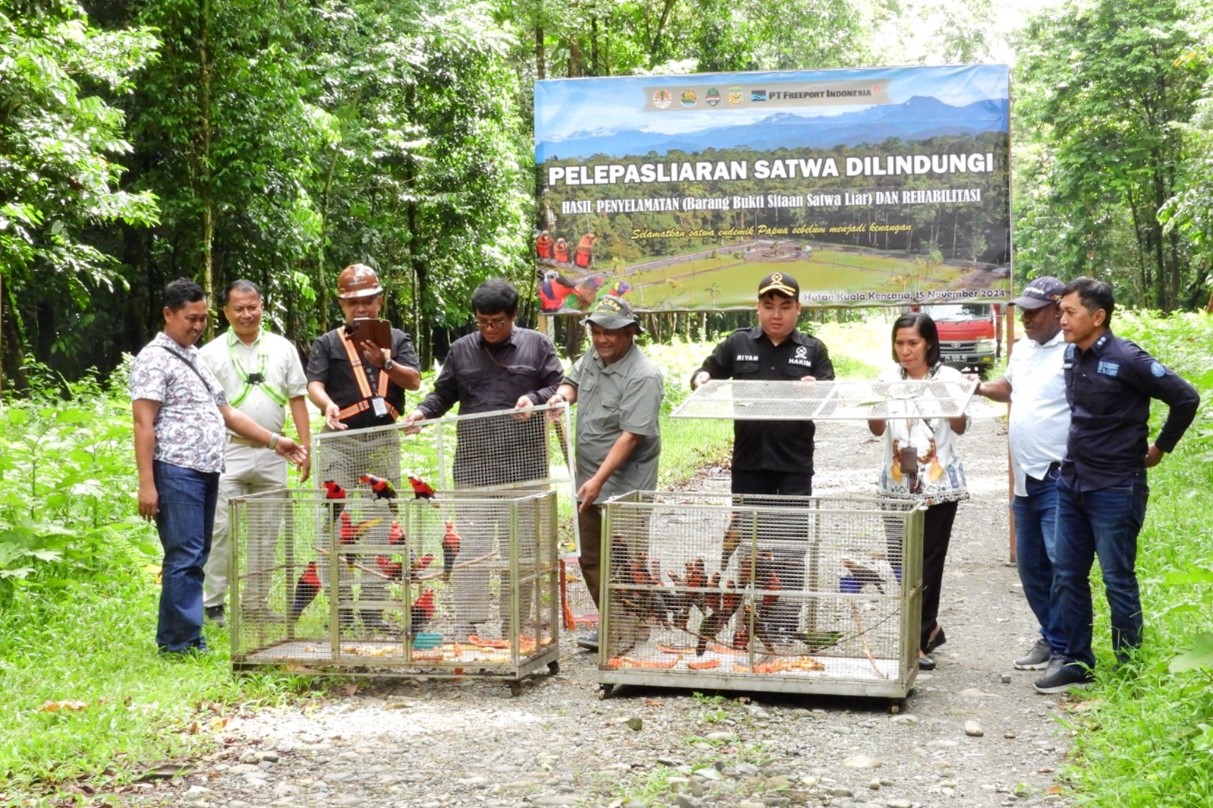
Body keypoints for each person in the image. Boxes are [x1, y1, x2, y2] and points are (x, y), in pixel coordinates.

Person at [1033, 278, 1199, 694]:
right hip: (1072, 483)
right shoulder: (1072, 355)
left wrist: (1161, 448)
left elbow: (1186, 398)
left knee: (1116, 578)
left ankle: (1129, 668)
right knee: (1068, 575)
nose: (1062, 319)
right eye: (1062, 311)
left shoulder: (1128, 358)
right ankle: (1077, 662)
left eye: (1071, 312)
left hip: (1116, 487)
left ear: (1098, 316)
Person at [130, 278, 306, 655]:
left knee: (197, 554)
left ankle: (187, 636)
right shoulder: (154, 358)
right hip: (177, 470)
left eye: (202, 319)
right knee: (185, 555)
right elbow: (143, 423)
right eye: (189, 319)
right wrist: (147, 483)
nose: (196, 326)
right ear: (168, 314)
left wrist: (277, 441)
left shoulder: (193, 356)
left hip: (207, 469)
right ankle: (179, 643)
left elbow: (227, 412)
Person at [402, 279, 564, 638]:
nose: (489, 329)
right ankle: (468, 624)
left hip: (525, 468)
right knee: (471, 550)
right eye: (482, 322)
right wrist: (421, 414)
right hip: (474, 468)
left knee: (521, 552)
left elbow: (558, 385)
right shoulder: (461, 350)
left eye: (497, 322)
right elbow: (442, 394)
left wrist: (535, 398)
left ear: (513, 316)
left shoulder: (537, 345)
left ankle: (515, 625)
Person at [690, 272, 834, 639]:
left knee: (789, 548)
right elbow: (705, 372)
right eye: (769, 306)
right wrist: (701, 380)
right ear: (758, 307)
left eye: (785, 306)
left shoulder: (812, 350)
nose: (776, 314)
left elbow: (831, 398)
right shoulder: (738, 343)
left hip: (793, 466)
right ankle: (748, 626)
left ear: (798, 309)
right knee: (749, 544)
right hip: (749, 465)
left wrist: (816, 390)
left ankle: (783, 623)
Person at [306, 263, 421, 632]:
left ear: (379, 301)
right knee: (334, 522)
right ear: (342, 305)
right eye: (352, 302)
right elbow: (315, 383)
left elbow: (414, 382)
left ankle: (372, 608)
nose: (360, 308)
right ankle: (339, 609)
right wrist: (326, 405)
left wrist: (384, 361)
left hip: (382, 440)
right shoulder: (327, 343)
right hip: (340, 442)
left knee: (380, 523)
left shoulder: (398, 339)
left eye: (367, 301)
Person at [547, 296, 663, 651]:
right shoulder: (592, 358)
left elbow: (630, 437)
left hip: (624, 485)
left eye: (609, 332)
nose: (601, 340)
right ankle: (612, 623)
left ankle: (635, 629)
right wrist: (561, 398)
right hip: (588, 481)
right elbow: (573, 383)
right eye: (595, 332)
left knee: (626, 559)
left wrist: (598, 481)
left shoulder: (644, 375)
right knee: (591, 556)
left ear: (630, 332)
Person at [197, 280, 311, 628]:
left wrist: (306, 449)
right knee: (221, 531)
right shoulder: (210, 353)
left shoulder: (283, 348)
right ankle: (213, 604)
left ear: (262, 306)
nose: (247, 314)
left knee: (266, 531)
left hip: (276, 453)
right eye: (239, 309)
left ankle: (255, 604)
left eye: (253, 307)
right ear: (225, 312)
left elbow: (297, 398)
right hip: (228, 452)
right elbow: (203, 409)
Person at [974, 277, 1069, 671]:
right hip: (1024, 478)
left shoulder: (1073, 351)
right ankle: (1050, 637)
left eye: (1035, 312)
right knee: (1031, 567)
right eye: (1024, 312)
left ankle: (1068, 648)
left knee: (1061, 564)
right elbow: (1008, 388)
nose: (1027, 319)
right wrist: (976, 387)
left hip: (1058, 476)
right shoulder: (1023, 349)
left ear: (1057, 309)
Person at [867, 312, 969, 670]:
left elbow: (960, 426)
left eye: (913, 343)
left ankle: (916, 641)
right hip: (895, 484)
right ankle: (928, 630)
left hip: (937, 485)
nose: (906, 351)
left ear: (929, 343)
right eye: (899, 343)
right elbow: (876, 428)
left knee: (927, 563)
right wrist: (877, 400)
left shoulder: (949, 377)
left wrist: (944, 397)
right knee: (901, 562)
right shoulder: (887, 378)